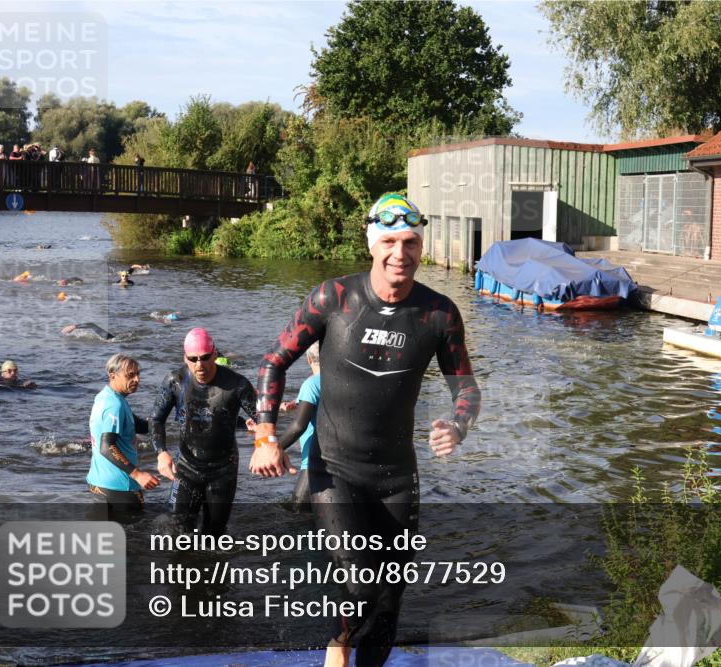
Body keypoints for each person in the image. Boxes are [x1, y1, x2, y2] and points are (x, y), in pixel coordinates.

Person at [250, 193, 481, 667]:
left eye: (411, 241)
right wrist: (265, 436)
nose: (401, 252)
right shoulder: (334, 298)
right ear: (373, 243)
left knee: (389, 603)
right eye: (391, 240)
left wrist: (458, 427)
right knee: (359, 586)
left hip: (397, 477)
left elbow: (467, 389)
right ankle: (337, 647)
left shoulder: (439, 314)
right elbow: (274, 362)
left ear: (421, 246)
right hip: (335, 471)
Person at [151, 328, 258, 536]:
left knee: (214, 536)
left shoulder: (237, 384)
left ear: (215, 354)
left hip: (223, 470)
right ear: (185, 357)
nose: (199, 365)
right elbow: (156, 419)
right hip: (186, 467)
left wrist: (263, 444)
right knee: (177, 530)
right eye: (193, 359)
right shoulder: (175, 381)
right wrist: (161, 452)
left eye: (205, 357)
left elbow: (264, 418)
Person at [86, 354, 159, 516]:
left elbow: (138, 425)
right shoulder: (115, 405)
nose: (137, 379)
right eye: (130, 375)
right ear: (113, 376)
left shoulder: (106, 397)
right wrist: (138, 475)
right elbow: (106, 447)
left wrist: (162, 416)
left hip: (98, 483)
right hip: (120, 488)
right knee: (134, 538)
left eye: (138, 374)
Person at [276, 343, 321, 513]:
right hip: (345, 463)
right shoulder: (345, 380)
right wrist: (298, 402)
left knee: (297, 516)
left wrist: (276, 448)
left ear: (309, 359)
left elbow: (298, 426)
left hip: (314, 463)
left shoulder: (311, 385)